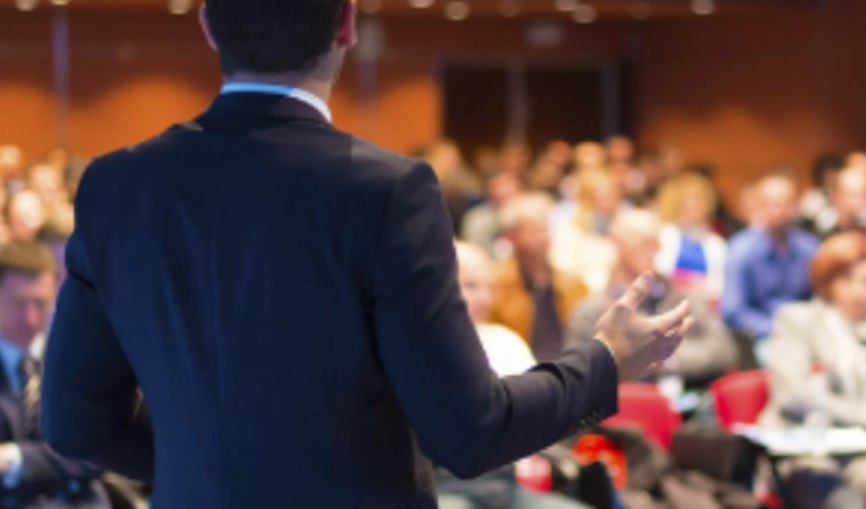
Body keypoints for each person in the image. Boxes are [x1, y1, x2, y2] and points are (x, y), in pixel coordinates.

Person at [40, 2, 692, 507]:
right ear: (347, 23)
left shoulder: (117, 186)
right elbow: (469, 432)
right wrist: (603, 364)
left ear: (208, 27)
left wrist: (210, 457)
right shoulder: (385, 192)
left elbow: (72, 424)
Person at [436, 242, 591, 509]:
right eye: (471, 286)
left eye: (490, 287)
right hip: (446, 486)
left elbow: (544, 416)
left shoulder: (505, 340)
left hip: (506, 484)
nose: (484, 298)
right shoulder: (421, 349)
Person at [760, 233, 866, 509]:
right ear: (827, 283)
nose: (859, 292)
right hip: (808, 449)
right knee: (846, 503)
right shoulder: (797, 320)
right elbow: (793, 395)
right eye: (847, 280)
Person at [568, 209, 736, 387]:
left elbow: (724, 351)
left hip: (688, 402)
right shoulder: (592, 309)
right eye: (644, 243)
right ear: (618, 243)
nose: (655, 250)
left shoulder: (683, 298)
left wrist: (664, 356)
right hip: (623, 407)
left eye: (657, 243)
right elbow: (579, 373)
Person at [0, 241, 110, 508]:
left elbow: (97, 452)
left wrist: (17, 458)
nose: (30, 318)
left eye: (41, 303)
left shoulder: (76, 355)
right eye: (19, 303)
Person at [722, 170, 819, 366]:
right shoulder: (741, 249)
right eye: (770, 203)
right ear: (758, 206)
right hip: (763, 335)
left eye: (785, 203)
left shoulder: (810, 247)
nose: (778, 209)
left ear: (796, 206)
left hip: (806, 330)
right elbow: (733, 310)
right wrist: (774, 328)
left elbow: (821, 297)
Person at [491, 193, 589, 362]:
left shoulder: (574, 284)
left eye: (546, 229)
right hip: (519, 371)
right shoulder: (495, 283)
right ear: (512, 237)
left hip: (568, 369)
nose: (544, 237)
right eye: (534, 230)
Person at [655, 172, 727, 304]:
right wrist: (687, 282)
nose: (695, 204)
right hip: (667, 302)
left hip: (705, 306)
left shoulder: (716, 243)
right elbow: (659, 273)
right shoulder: (664, 234)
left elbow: (720, 286)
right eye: (689, 198)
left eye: (700, 198)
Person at [550, 170, 619, 293]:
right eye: (602, 197)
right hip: (583, 296)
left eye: (612, 196)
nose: (609, 202)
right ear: (587, 199)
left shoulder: (622, 228)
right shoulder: (571, 233)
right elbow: (563, 271)